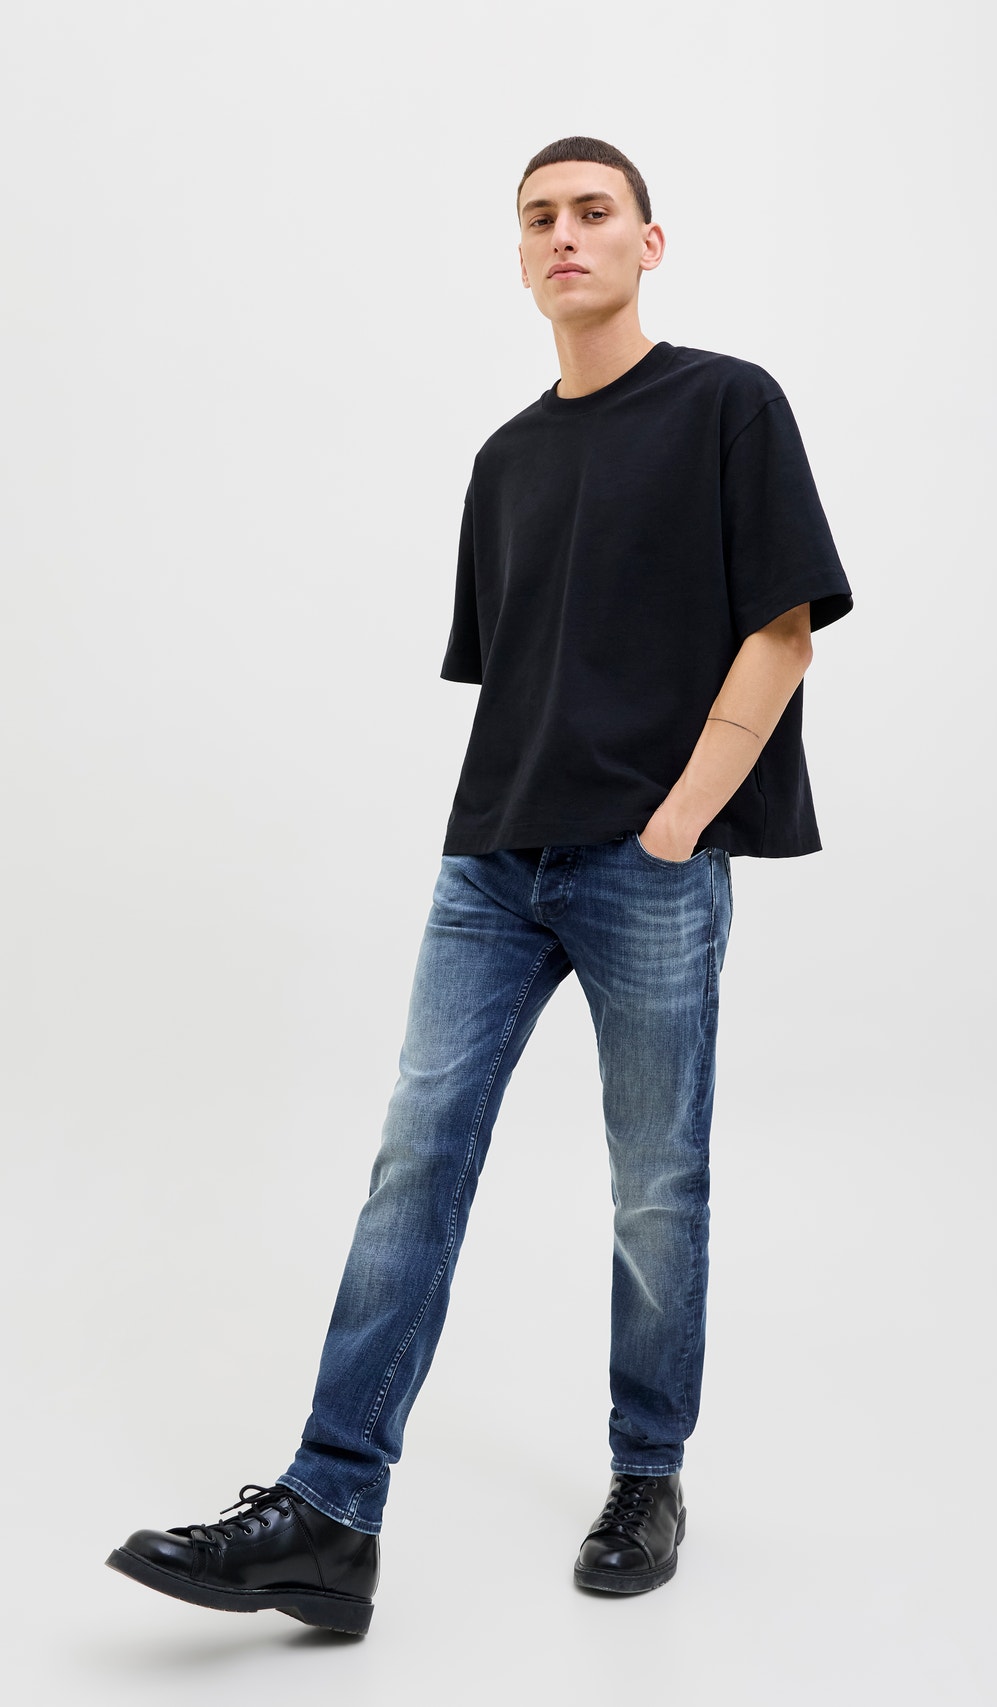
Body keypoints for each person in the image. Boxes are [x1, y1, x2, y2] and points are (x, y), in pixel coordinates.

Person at [105, 135, 852, 1635]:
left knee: (657, 1183)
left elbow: (783, 630)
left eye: (594, 212)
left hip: (650, 867)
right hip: (492, 865)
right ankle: (329, 1516)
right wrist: (498, 838)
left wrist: (675, 825)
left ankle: (649, 1475)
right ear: (521, 258)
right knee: (418, 1161)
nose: (566, 234)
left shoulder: (727, 403)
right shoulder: (505, 459)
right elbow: (518, 675)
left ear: (649, 243)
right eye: (539, 219)